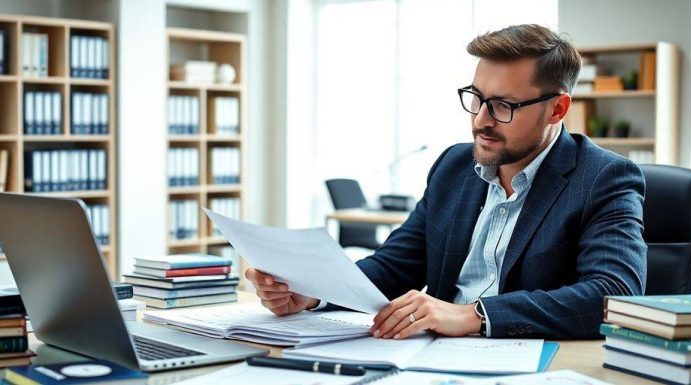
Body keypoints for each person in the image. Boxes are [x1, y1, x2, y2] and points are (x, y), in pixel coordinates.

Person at [246, 24, 647, 340]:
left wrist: (474, 315)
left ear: (557, 109)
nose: (480, 120)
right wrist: (315, 293)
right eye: (476, 97)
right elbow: (396, 265)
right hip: (429, 356)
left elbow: (615, 294)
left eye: (504, 105)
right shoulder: (454, 166)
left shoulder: (603, 178)